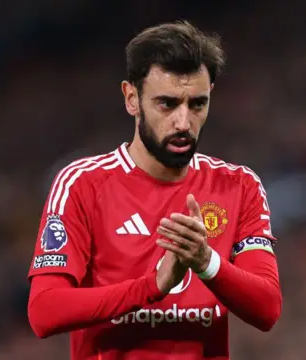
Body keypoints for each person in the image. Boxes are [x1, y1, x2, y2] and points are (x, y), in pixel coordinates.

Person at [27, 20, 282, 360]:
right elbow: (44, 311)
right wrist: (153, 285)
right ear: (132, 98)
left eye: (197, 104)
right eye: (167, 103)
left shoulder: (238, 185)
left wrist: (206, 262)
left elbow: (267, 308)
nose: (183, 122)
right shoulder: (81, 184)